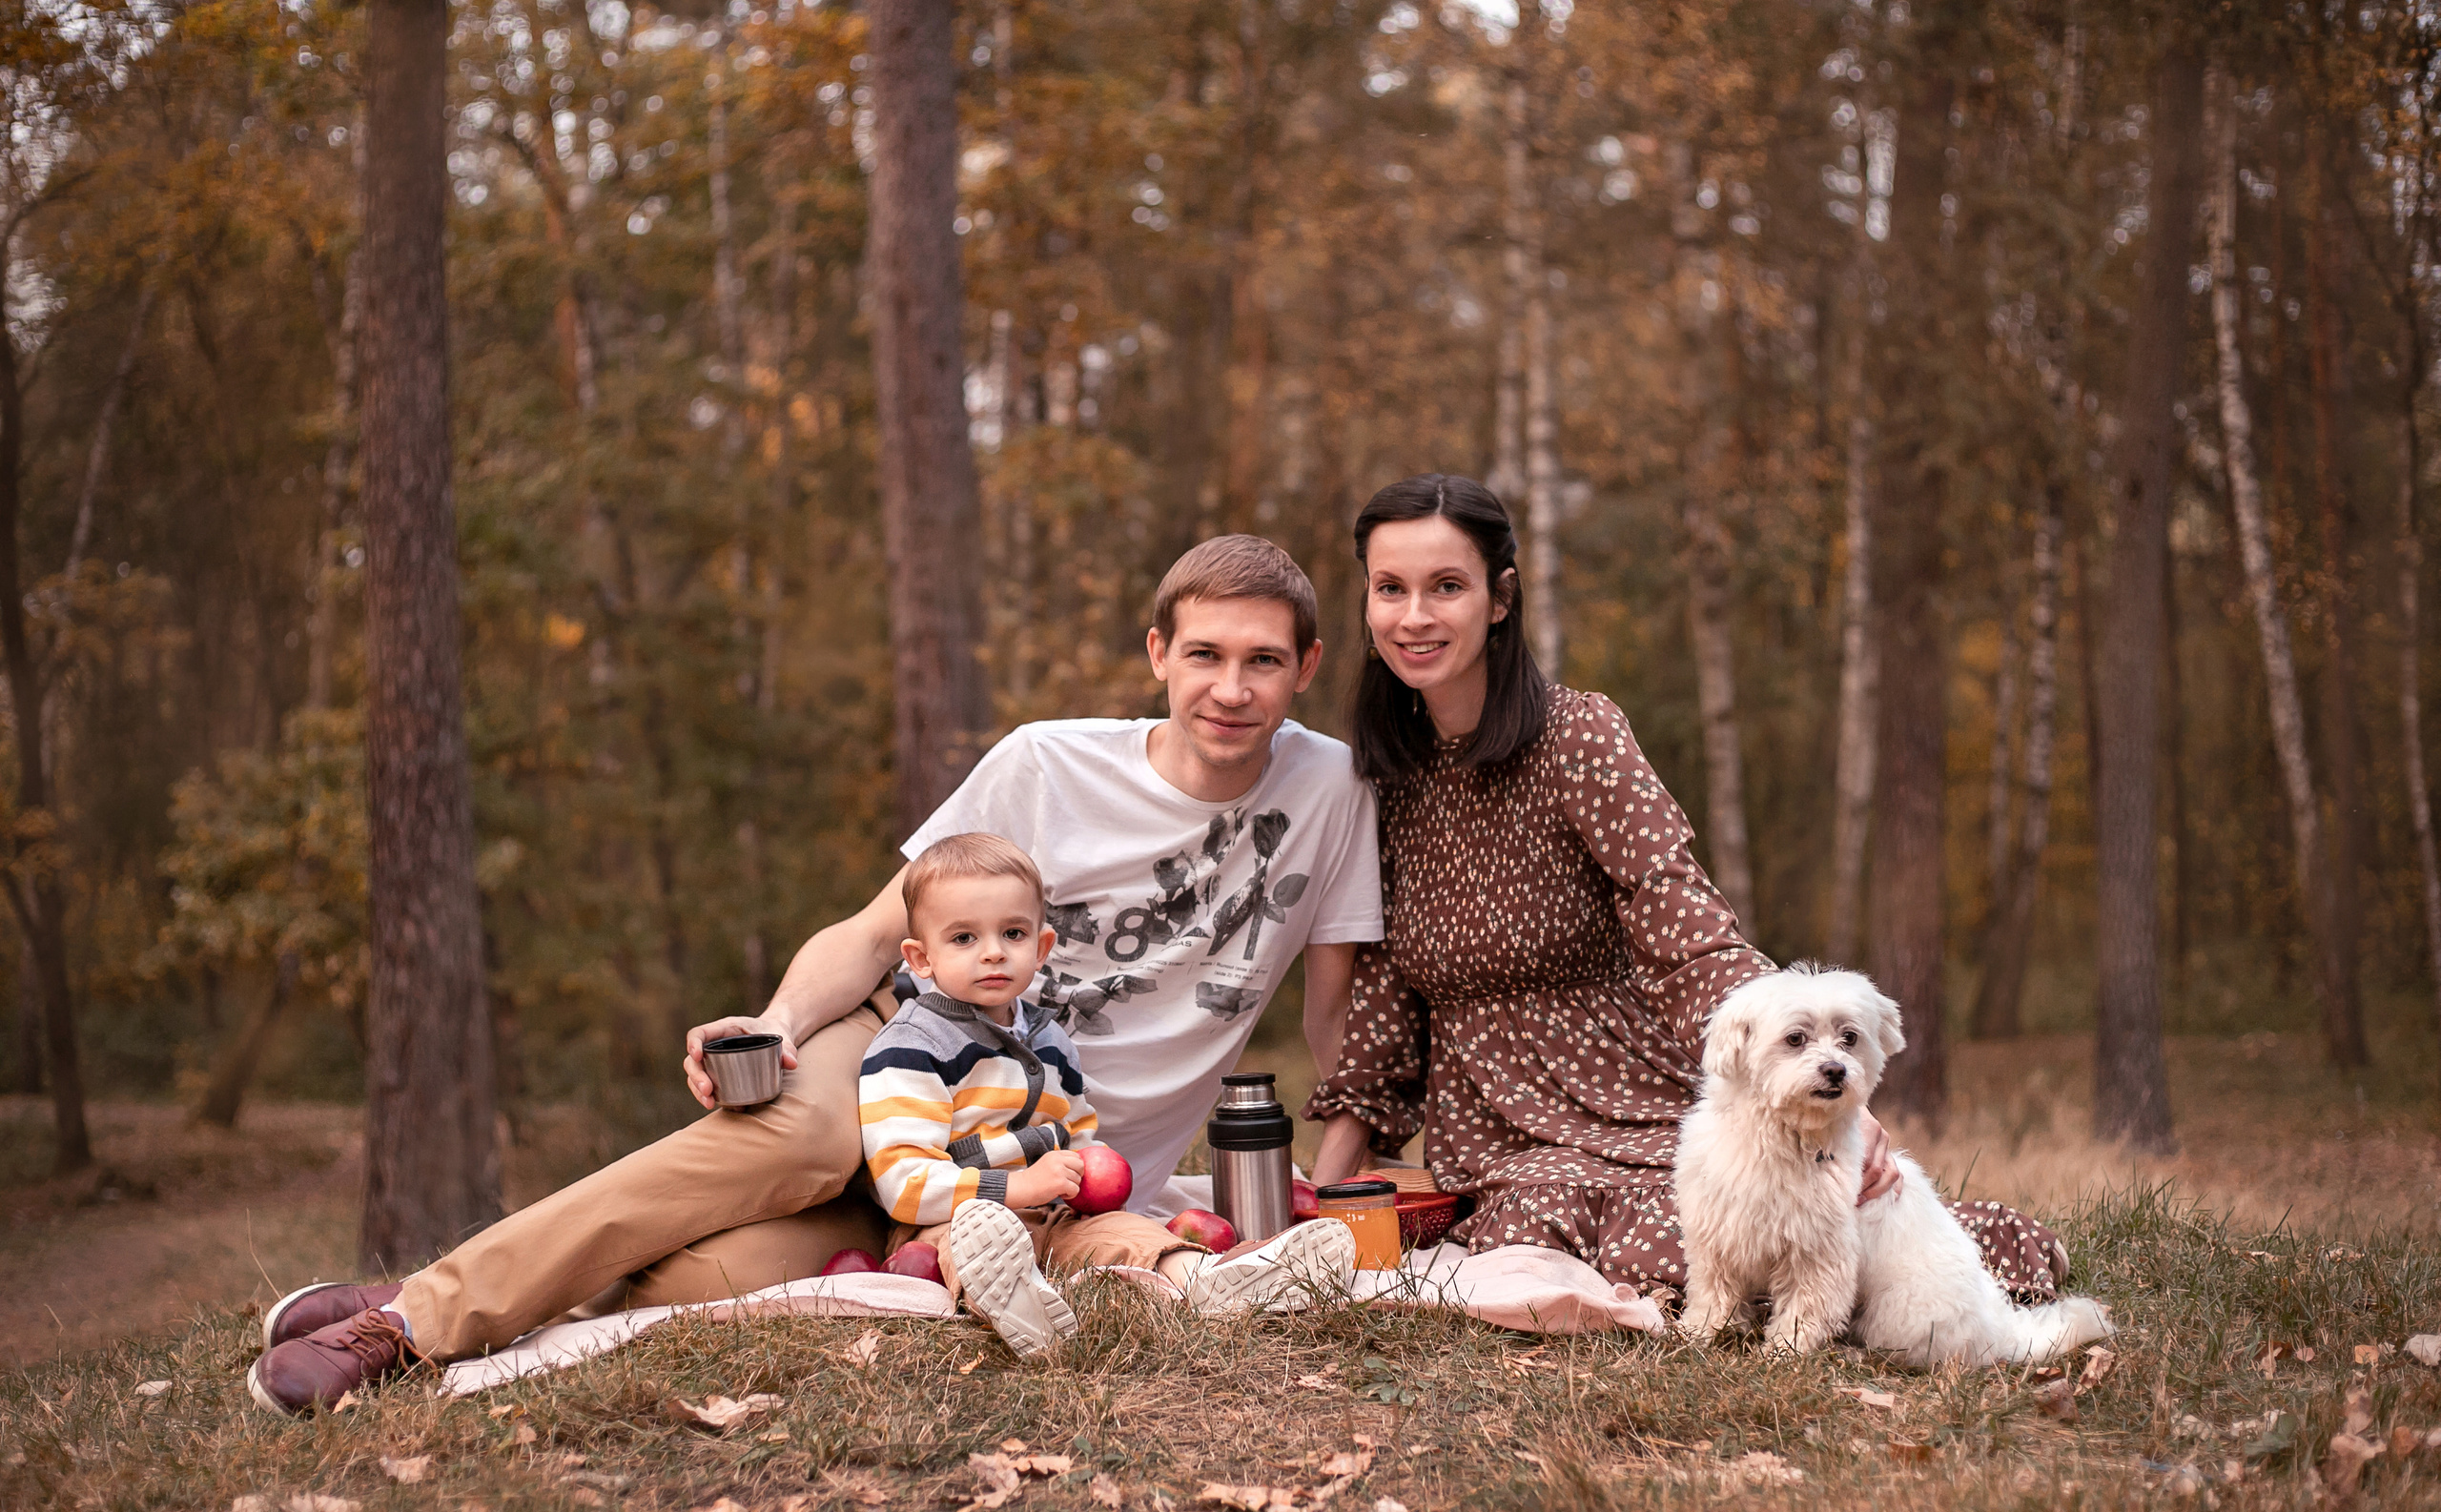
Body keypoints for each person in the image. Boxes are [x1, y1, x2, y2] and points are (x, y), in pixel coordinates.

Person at [247, 534, 1384, 1415]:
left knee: (687, 1287)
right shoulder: (1045, 763)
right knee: (793, 1138)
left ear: (1307, 667)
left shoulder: (1331, 793)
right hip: (912, 1054)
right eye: (1204, 655)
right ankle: (408, 1329)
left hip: (1035, 1166)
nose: (1230, 689)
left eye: (1262, 661)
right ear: (1157, 655)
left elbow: (1334, 1012)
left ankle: (444, 1285)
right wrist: (781, 1023)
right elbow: (867, 928)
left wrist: (1343, 1174)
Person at [1303, 474, 2067, 1301]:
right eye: (1391, 589)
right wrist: (1312, 1202)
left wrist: (1823, 1071)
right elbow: (1383, 1016)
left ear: (1499, 599)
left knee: (1710, 1235)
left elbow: (1687, 929)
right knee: (1526, 1239)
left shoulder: (1580, 736)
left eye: (1446, 586)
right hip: (1496, 1147)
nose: (1414, 616)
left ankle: (1931, 1261)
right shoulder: (1383, 783)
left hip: (1641, 1098)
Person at [863, 832, 1356, 1359]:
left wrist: (1081, 1176)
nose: (992, 953)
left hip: (1054, 1217)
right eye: (963, 938)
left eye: (1012, 933)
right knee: (971, 1245)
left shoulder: (1048, 1039)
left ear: (1041, 947)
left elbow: (1076, 1131)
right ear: (920, 958)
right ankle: (1018, 1303)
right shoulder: (910, 1048)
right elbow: (903, 1183)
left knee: (1129, 1233)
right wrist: (1020, 1187)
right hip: (951, 1220)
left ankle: (1214, 1279)